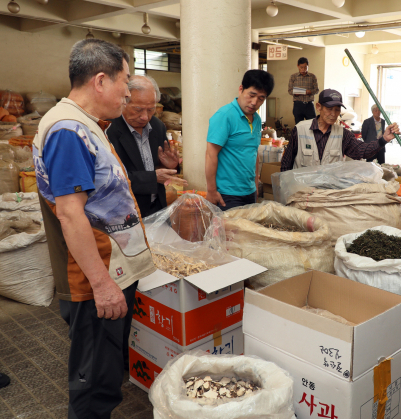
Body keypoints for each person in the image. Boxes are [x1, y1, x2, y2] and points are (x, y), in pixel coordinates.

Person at [33, 39, 157, 418]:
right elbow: (71, 215)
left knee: (106, 374)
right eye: (125, 81)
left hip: (111, 270)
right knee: (94, 387)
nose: (128, 91)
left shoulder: (87, 125)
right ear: (101, 81)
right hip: (94, 281)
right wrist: (103, 286)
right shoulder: (69, 130)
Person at [108, 75, 187, 218]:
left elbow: (158, 168)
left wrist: (170, 166)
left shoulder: (157, 126)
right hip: (124, 213)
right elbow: (110, 177)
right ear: (123, 101)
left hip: (157, 209)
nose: (145, 117)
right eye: (138, 109)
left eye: (151, 110)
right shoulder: (108, 129)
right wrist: (153, 177)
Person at [280, 89, 400, 172]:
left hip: (329, 193)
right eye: (329, 109)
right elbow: (287, 162)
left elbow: (362, 151)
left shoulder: (342, 134)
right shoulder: (300, 129)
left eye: (337, 110)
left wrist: (383, 139)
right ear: (318, 107)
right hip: (301, 192)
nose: (333, 114)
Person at [206, 69, 274, 211]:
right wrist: (211, 191)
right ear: (241, 89)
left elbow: (254, 153)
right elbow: (211, 154)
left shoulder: (257, 120)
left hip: (250, 191)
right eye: (252, 95)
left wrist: (255, 186)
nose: (254, 102)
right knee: (230, 233)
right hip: (227, 194)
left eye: (261, 98)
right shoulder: (225, 115)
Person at [288, 57, 319, 124]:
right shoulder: (293, 77)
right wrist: (295, 93)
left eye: (305, 67)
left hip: (309, 105)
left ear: (308, 66)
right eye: (301, 67)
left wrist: (310, 92)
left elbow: (316, 90)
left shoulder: (312, 76)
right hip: (298, 104)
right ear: (298, 66)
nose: (303, 69)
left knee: (313, 124)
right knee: (299, 126)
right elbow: (290, 90)